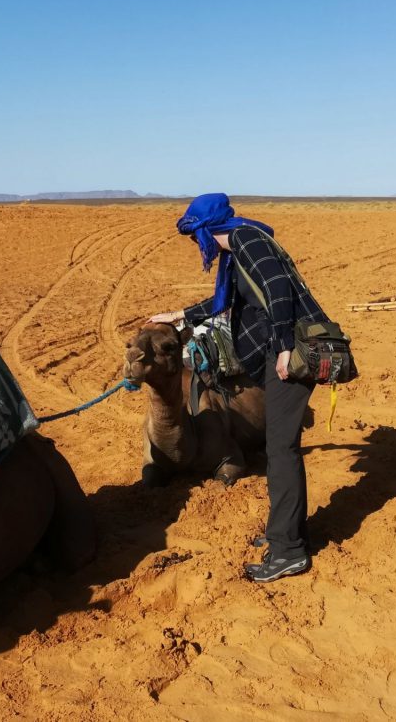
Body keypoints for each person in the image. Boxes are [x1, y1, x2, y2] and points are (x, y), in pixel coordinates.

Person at [148, 193, 328, 583]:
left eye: (195, 236)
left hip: (291, 353)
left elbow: (279, 291)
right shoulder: (237, 250)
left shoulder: (247, 240)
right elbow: (223, 301)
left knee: (281, 450)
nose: (198, 245)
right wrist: (182, 314)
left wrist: (281, 347)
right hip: (275, 352)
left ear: (204, 230)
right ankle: (286, 535)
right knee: (281, 449)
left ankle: (290, 552)